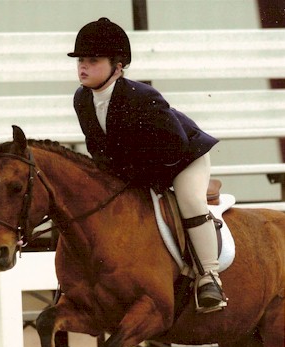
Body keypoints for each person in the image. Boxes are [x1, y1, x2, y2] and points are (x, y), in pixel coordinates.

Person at [67, 17, 226, 312]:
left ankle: (209, 276)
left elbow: (174, 145)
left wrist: (141, 175)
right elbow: (97, 145)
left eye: (92, 60)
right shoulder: (82, 99)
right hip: (142, 168)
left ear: (118, 66)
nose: (82, 66)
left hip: (184, 159)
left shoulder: (142, 96)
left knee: (190, 201)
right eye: (80, 60)